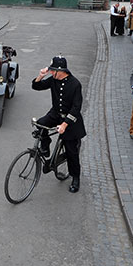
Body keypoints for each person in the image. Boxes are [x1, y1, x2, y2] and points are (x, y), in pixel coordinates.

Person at [31, 56, 85, 193]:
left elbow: (76, 108)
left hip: (70, 120)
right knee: (41, 124)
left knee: (71, 151)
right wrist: (40, 75)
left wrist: (64, 125)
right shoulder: (53, 80)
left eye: (52, 71)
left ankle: (75, 178)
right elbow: (36, 86)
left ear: (60, 71)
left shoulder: (75, 84)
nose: (50, 73)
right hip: (55, 114)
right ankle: (45, 147)